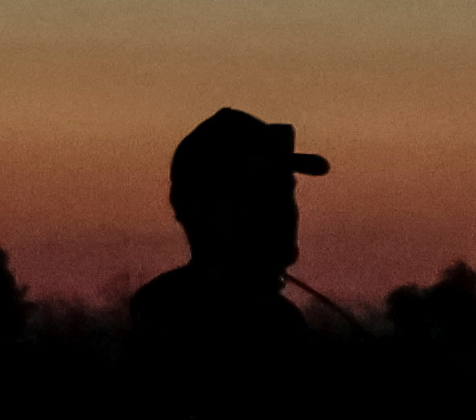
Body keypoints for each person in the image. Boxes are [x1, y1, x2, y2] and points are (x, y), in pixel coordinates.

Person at [126, 107, 327, 395]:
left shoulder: (281, 318)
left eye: (286, 191)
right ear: (198, 207)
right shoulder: (177, 322)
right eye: (259, 193)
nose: (285, 211)